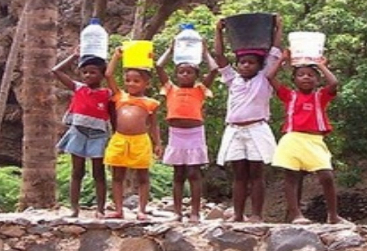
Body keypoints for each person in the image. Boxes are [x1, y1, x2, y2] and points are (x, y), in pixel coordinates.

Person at [266, 50, 348, 224]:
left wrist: (320, 64)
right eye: (301, 75)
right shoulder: (290, 95)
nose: (306, 77)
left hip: (315, 141)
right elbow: (270, 77)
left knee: (326, 176)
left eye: (311, 75)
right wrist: (282, 59)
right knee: (291, 177)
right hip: (292, 139)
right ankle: (296, 214)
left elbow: (333, 83)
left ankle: (333, 215)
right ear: (294, 80)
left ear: (317, 80)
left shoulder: (321, 96)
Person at [213, 16, 282, 223]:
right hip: (235, 131)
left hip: (256, 129)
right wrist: (219, 31)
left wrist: (279, 27)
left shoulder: (264, 79)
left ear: (259, 66)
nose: (245, 66)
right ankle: (237, 214)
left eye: (251, 63)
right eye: (242, 62)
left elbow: (275, 52)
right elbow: (219, 56)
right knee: (239, 175)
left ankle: (257, 215)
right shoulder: (232, 79)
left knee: (256, 174)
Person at [155, 41, 219, 223]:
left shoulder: (200, 90)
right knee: (178, 174)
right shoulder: (170, 89)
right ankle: (177, 212)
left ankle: (195, 212)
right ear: (176, 75)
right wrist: (170, 49)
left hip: (195, 133)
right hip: (177, 133)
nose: (185, 74)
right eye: (181, 72)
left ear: (196, 76)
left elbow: (214, 70)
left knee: (193, 173)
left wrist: (206, 51)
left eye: (189, 72)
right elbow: (159, 66)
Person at [104, 47, 162, 220]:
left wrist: (158, 143)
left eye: (136, 81)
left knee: (143, 176)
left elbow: (153, 125)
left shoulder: (150, 103)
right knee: (117, 175)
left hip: (140, 141)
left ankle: (142, 209)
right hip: (120, 139)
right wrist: (116, 56)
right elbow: (108, 75)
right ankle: (118, 209)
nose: (131, 84)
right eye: (128, 80)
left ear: (146, 84)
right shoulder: (120, 96)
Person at [52, 53, 112, 218]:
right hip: (78, 132)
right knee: (77, 171)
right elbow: (56, 70)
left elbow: (112, 115)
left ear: (102, 74)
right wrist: (73, 56)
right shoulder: (79, 88)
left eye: (93, 72)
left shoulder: (107, 94)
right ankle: (74, 208)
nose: (88, 75)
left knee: (98, 172)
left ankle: (100, 209)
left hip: (98, 135)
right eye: (85, 72)